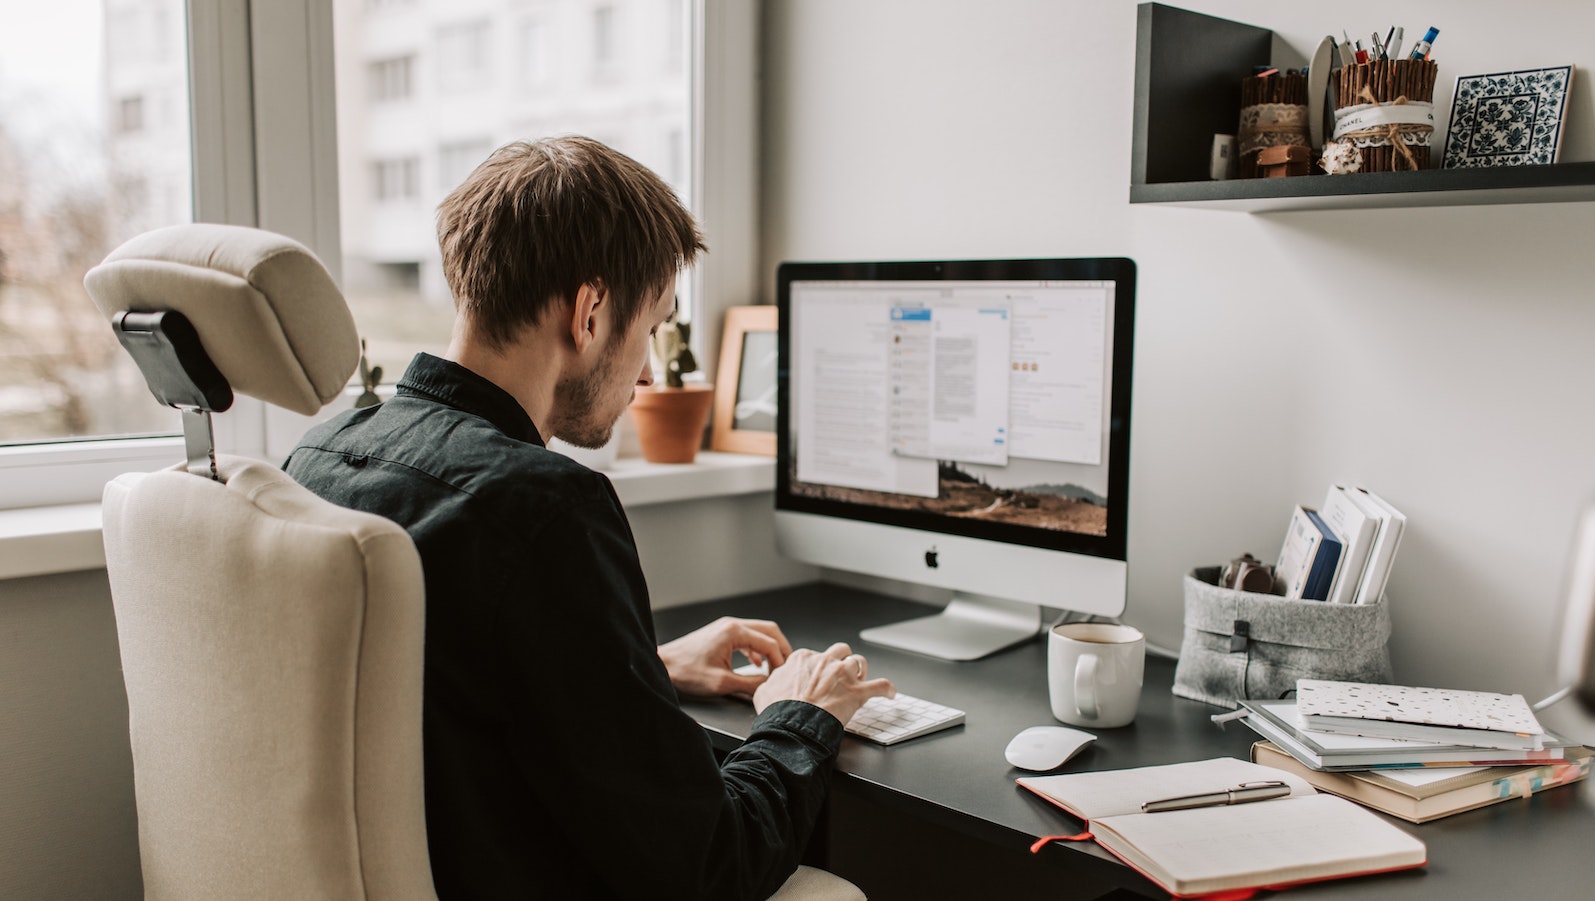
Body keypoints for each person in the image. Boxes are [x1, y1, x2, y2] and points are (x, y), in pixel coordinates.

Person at [283, 136, 894, 900]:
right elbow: (708, 865)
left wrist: (647, 668)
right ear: (590, 311)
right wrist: (797, 716)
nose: (645, 369)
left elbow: (424, 697)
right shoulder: (542, 507)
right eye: (652, 326)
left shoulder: (322, 455)